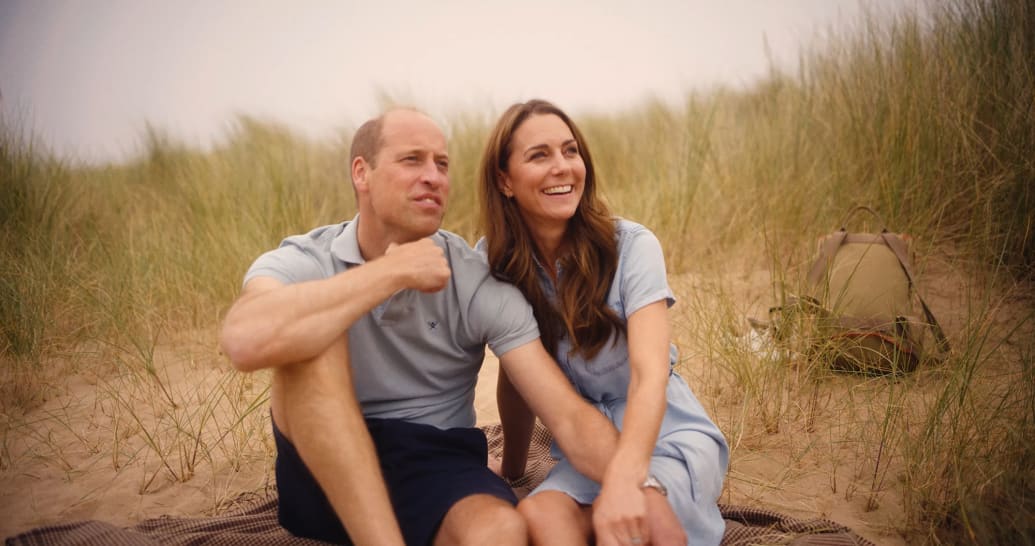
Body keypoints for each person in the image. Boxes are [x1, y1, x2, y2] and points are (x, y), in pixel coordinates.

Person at [219, 108, 649, 546]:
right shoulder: (307, 259)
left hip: (435, 463)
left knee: (503, 531)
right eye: (412, 160)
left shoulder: (475, 279)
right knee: (312, 336)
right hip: (322, 464)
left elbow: (568, 416)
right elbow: (243, 340)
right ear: (361, 173)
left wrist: (640, 490)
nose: (434, 176)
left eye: (441, 164)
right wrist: (389, 274)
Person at [477, 99, 730, 546]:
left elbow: (649, 375)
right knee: (538, 517)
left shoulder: (631, 245)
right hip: (586, 449)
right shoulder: (496, 263)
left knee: (646, 523)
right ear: (504, 179)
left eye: (570, 151)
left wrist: (626, 483)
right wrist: (514, 470)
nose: (563, 167)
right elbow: (515, 377)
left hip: (665, 431)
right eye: (539, 155)